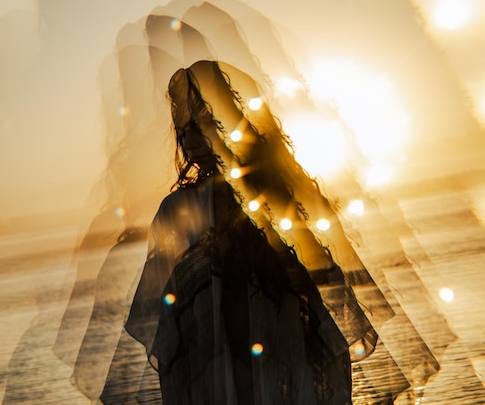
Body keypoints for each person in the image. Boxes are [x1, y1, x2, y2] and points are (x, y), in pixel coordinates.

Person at [124, 60, 377, 405]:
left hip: (273, 338)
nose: (190, 141)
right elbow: (161, 310)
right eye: (183, 131)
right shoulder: (179, 209)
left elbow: (312, 275)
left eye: (200, 126)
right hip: (215, 354)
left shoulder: (267, 193)